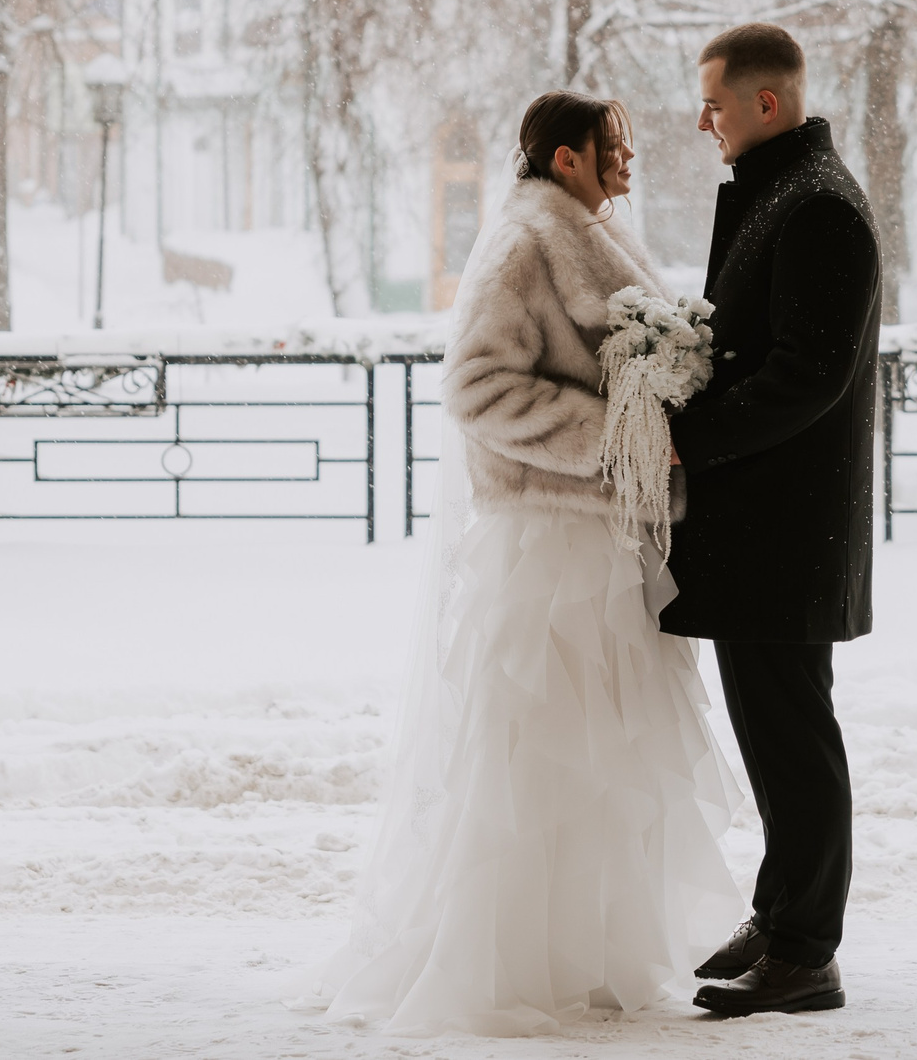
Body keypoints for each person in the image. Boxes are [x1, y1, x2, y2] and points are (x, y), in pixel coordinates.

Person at [305, 91, 742, 1035]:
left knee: (602, 754)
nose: (628, 156)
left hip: (599, 538)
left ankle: (580, 951)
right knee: (537, 751)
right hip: (549, 544)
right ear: (564, 156)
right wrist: (614, 437)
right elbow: (477, 384)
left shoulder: (582, 234)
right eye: (611, 144)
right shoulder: (525, 243)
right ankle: (505, 956)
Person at [663, 22, 882, 1018]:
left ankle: (807, 951)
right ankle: (782, 913)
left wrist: (687, 439)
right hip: (769, 528)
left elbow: (805, 376)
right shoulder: (785, 196)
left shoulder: (817, 208)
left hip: (787, 530)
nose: (701, 121)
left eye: (713, 103)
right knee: (775, 729)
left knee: (794, 735)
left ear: (766, 102)